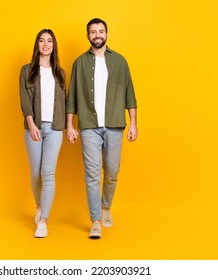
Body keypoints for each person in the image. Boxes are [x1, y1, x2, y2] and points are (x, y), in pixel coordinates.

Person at [66, 18, 138, 239]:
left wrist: (133, 123)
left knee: (112, 172)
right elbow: (72, 98)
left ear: (107, 34)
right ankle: (95, 219)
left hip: (115, 124)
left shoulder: (120, 62)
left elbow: (130, 95)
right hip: (89, 126)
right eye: (93, 32)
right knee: (92, 174)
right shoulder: (79, 63)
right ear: (87, 36)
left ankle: (106, 207)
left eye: (101, 31)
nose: (97, 35)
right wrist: (70, 125)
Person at [19, 29, 66, 238]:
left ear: (54, 45)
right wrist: (31, 123)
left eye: (49, 41)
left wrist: (69, 127)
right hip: (34, 126)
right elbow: (24, 99)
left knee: (48, 173)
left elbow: (64, 102)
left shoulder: (60, 73)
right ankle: (39, 205)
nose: (45, 44)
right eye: (41, 40)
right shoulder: (27, 70)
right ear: (37, 45)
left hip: (55, 128)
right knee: (35, 173)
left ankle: (44, 221)